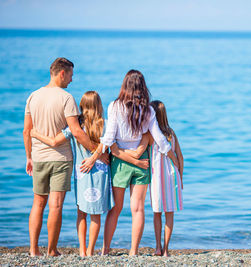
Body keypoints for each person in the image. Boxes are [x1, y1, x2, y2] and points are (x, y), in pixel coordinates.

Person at [30, 91, 145, 256]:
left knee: (81, 213)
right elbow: (113, 146)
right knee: (96, 215)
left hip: (82, 174)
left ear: (82, 106)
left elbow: (55, 141)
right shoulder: (105, 125)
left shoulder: (76, 126)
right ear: (99, 105)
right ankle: (91, 251)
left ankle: (82, 251)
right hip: (101, 175)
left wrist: (35, 134)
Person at [80, 70, 179, 256]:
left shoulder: (114, 106)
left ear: (125, 85)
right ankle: (133, 252)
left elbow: (109, 139)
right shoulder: (148, 110)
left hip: (119, 162)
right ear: (142, 87)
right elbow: (159, 140)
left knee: (116, 209)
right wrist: (175, 162)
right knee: (138, 209)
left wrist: (93, 158)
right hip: (142, 162)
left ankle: (106, 250)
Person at [22, 58, 105, 257]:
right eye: (70, 75)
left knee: (37, 203)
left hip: (39, 157)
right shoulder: (66, 98)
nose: (71, 79)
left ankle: (33, 250)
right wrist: (96, 152)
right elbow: (76, 131)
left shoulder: (33, 96)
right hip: (61, 159)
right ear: (62, 73)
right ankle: (51, 250)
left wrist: (29, 157)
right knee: (56, 205)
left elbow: (26, 131)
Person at [147, 100, 184, 257]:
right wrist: (181, 177)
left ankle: (157, 247)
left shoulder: (149, 135)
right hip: (172, 177)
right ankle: (166, 250)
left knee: (157, 213)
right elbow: (180, 157)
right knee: (170, 213)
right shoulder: (171, 133)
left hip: (156, 178)